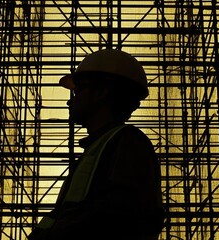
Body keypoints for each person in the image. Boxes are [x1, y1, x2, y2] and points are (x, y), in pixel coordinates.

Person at [28, 49, 163, 240]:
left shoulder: (127, 143)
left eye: (78, 91)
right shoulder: (99, 149)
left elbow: (122, 214)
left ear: (101, 92)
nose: (69, 101)